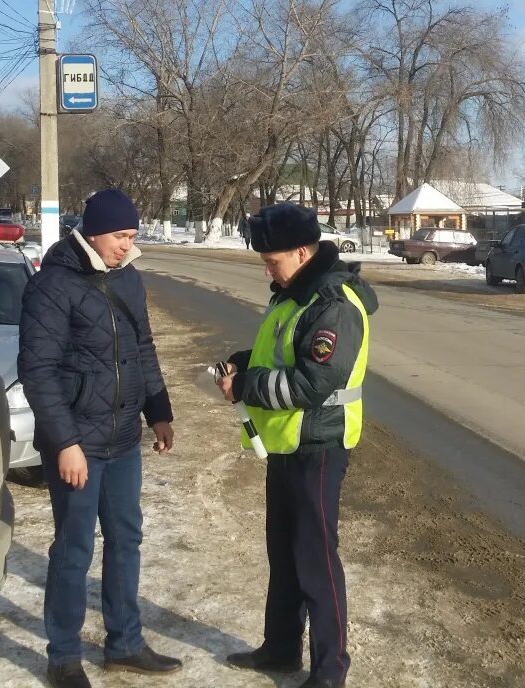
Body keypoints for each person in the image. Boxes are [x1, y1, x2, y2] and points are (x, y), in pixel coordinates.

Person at [18, 188, 182, 688]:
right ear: (93, 233)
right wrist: (64, 442)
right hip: (76, 444)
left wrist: (158, 411)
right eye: (119, 236)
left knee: (126, 540)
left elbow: (142, 348)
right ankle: (63, 656)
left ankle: (125, 643)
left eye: (132, 236)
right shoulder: (52, 285)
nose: (126, 245)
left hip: (122, 438)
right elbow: (38, 370)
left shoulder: (128, 278)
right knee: (73, 548)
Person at [215, 203, 378, 688]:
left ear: (303, 251)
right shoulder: (291, 295)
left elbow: (313, 381)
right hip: (285, 445)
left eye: (273, 259)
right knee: (284, 555)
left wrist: (247, 386)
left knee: (316, 559)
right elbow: (278, 353)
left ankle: (330, 671)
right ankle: (281, 649)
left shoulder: (334, 304)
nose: (267, 267)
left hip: (318, 446)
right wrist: (242, 362)